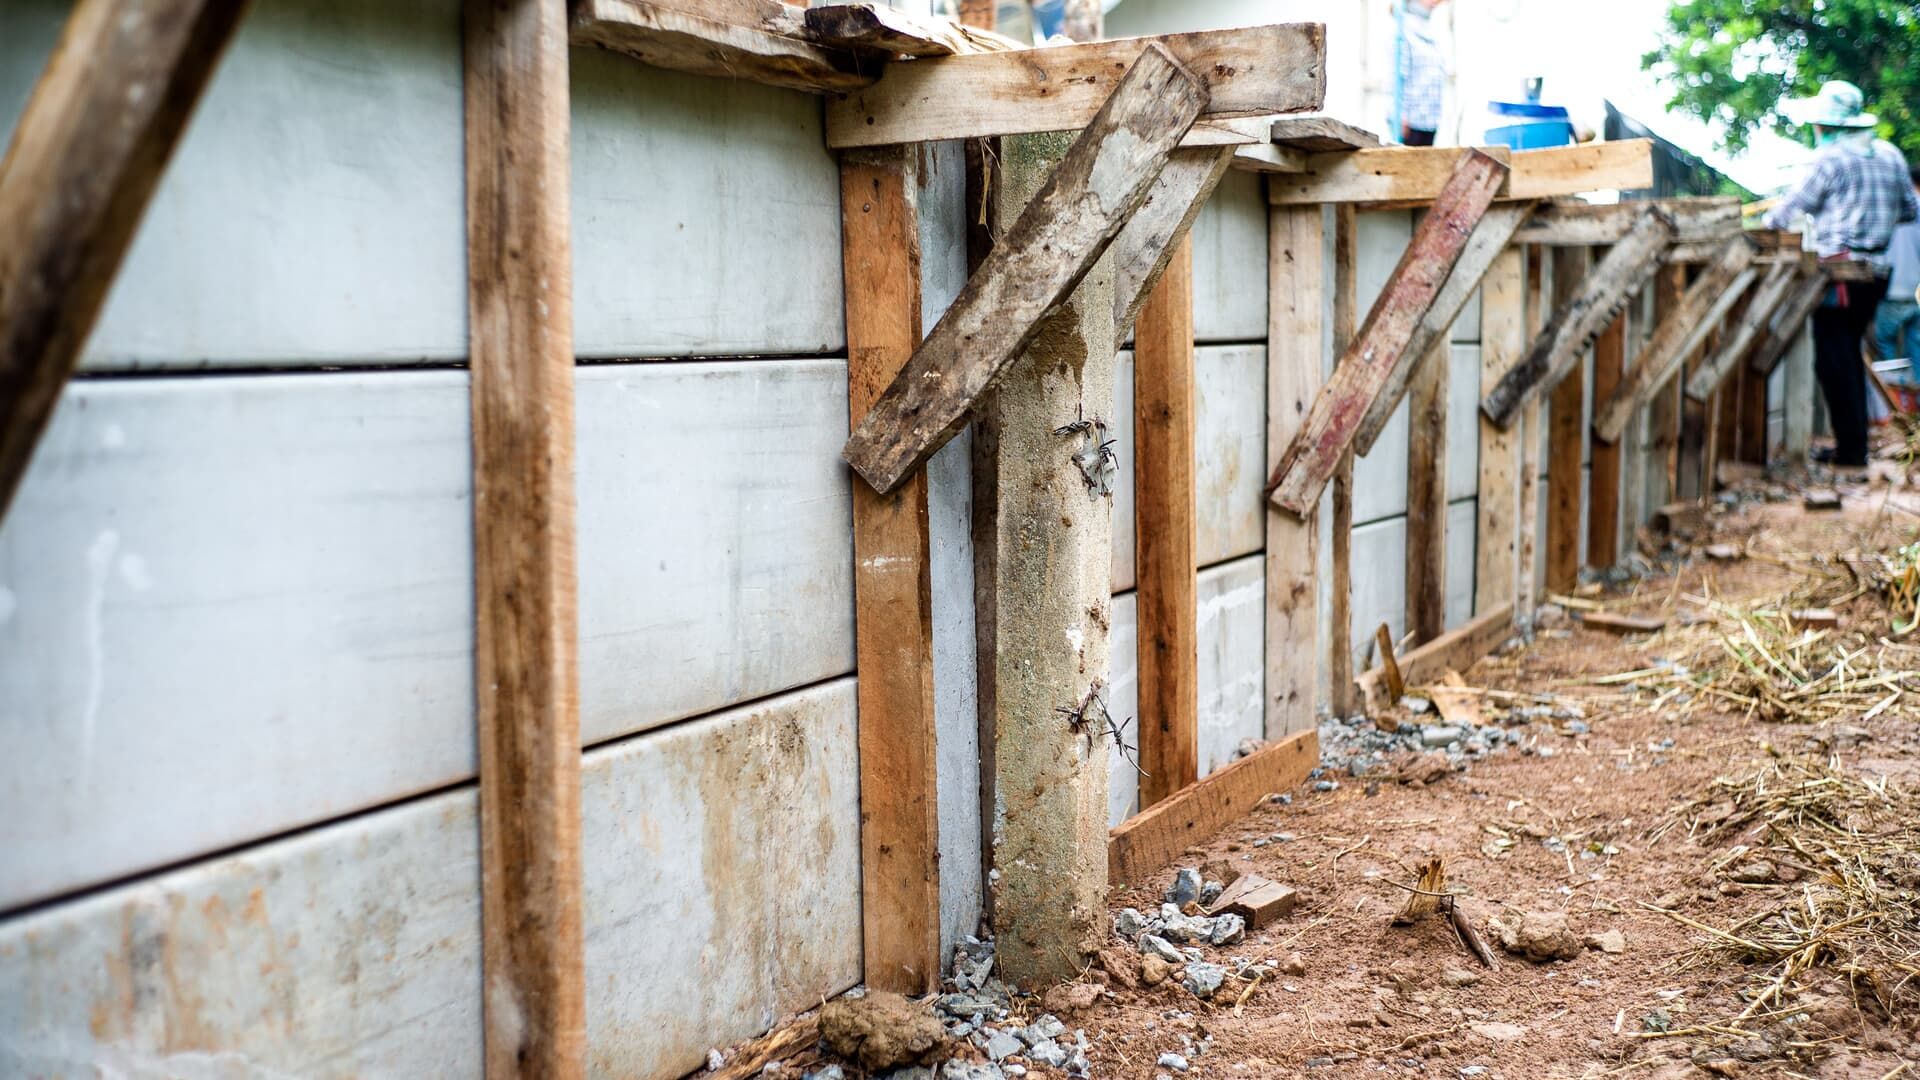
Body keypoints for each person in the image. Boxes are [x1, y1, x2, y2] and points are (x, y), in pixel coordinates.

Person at [1764, 81, 1919, 469]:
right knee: (1848, 351)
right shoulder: (1890, 155)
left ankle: (1852, 452)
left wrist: (1762, 230)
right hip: (1877, 272)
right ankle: (1854, 446)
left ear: (1826, 124)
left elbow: (1788, 210)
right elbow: (1909, 211)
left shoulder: (1829, 158)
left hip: (1840, 271)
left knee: (1833, 357)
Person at [1873, 166, 1920, 362]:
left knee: (1885, 342)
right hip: (1916, 291)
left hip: (1892, 289)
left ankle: (1894, 382)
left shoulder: (1890, 207)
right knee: (1916, 346)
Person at [1397, 0, 1447, 146]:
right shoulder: (1404, 28)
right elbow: (1397, 76)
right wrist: (1400, 115)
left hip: (1429, 120)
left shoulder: (1428, 26)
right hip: (1411, 122)